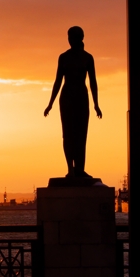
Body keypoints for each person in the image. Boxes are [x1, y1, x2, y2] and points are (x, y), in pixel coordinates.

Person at [43, 26, 102, 177]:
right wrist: (50, 104)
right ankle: (70, 169)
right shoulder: (63, 57)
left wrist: (96, 104)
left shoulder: (88, 58)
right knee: (68, 135)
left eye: (72, 37)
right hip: (67, 98)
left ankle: (80, 169)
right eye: (69, 37)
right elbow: (57, 81)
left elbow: (93, 82)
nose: (70, 40)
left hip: (82, 98)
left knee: (81, 135)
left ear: (79, 38)